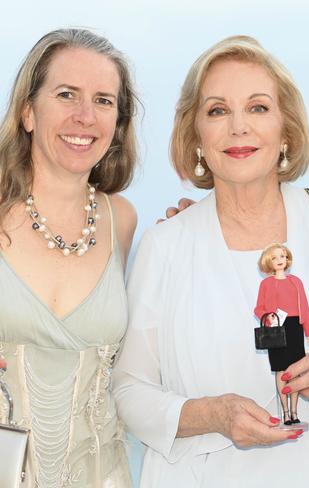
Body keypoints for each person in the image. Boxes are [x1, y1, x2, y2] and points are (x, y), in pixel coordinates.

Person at [112, 35, 309, 487]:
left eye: (257, 107)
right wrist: (211, 414)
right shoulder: (164, 245)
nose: (238, 127)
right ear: (196, 137)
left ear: (286, 128)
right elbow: (128, 389)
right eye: (217, 110)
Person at [0, 29, 138, 487]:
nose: (85, 117)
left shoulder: (122, 220)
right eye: (66, 95)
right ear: (28, 112)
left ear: (117, 123)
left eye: (103, 101)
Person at [254, 243, 309, 426]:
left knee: (295, 372)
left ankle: (294, 412)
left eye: (282, 256)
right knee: (281, 370)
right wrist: (267, 319)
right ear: (268, 262)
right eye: (274, 257)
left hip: (295, 327)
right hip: (277, 328)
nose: (279, 260)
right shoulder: (265, 284)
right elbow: (258, 308)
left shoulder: (296, 281)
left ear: (287, 259)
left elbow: (305, 306)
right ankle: (285, 413)